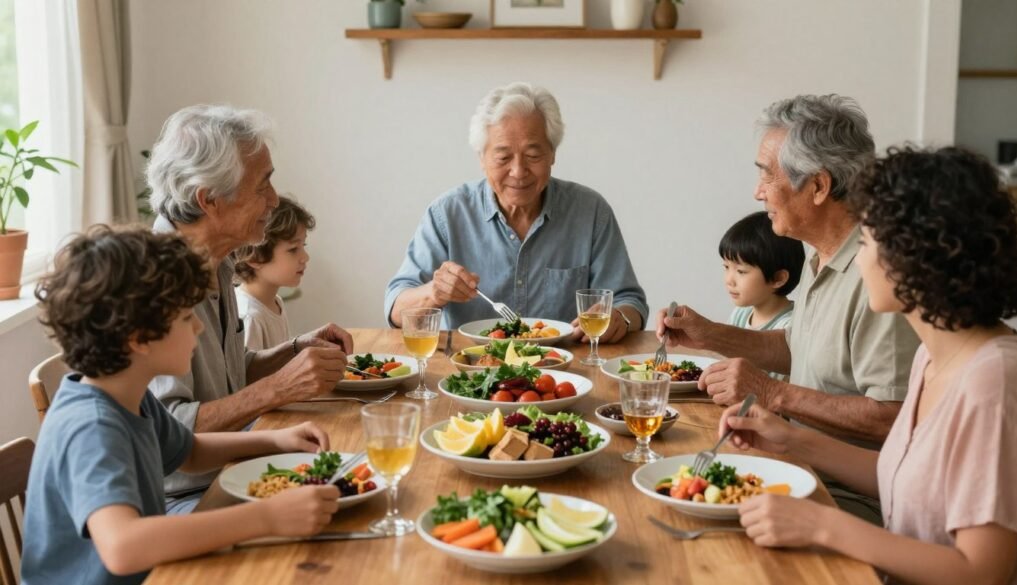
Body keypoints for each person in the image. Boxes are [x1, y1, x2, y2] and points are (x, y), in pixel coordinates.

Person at [718, 146, 1017, 584]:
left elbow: (981, 572)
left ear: (915, 254)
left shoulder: (994, 379)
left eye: (866, 241)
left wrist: (822, 525)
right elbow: (898, 478)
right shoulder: (931, 356)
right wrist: (787, 439)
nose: (859, 259)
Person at [22, 226, 340, 585]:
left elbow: (189, 451)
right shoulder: (90, 426)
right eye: (188, 317)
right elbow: (123, 546)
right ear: (140, 338)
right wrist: (266, 518)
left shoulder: (128, 394)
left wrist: (275, 440)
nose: (200, 329)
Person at [656, 95, 919, 523]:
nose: (757, 191)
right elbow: (800, 347)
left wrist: (774, 393)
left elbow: (892, 418)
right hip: (794, 465)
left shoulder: (878, 276)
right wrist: (710, 334)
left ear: (818, 186)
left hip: (850, 498)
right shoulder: (821, 254)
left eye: (767, 176)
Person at [146, 104, 353, 513]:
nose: (274, 200)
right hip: (181, 498)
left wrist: (294, 351)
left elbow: (228, 374)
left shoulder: (217, 261)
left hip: (234, 469)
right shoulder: (156, 281)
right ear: (210, 201)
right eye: (262, 186)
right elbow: (171, 432)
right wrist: (278, 388)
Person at [385, 82, 648, 342]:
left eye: (533, 156)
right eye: (503, 157)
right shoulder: (447, 214)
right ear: (481, 158)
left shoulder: (590, 211)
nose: (518, 172)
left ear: (553, 154)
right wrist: (434, 293)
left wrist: (620, 317)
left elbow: (630, 302)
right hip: (470, 372)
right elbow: (396, 309)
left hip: (566, 372)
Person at [233, 195, 315, 350]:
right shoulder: (249, 317)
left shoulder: (274, 302)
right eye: (293, 249)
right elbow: (251, 374)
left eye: (303, 245)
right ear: (255, 257)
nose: (305, 257)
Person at [719, 211, 804, 334]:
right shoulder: (741, 313)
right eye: (726, 267)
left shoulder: (790, 325)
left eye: (741, 271)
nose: (729, 281)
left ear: (778, 278)